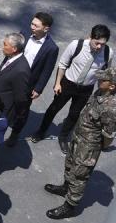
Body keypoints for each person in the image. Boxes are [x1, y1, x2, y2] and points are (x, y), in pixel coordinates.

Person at [45, 66, 116, 219]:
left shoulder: (111, 107)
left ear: (112, 86)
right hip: (78, 137)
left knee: (80, 175)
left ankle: (70, 205)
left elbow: (109, 135)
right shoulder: (100, 92)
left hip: (89, 146)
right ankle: (65, 187)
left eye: (102, 80)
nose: (98, 81)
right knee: (70, 163)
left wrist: (97, 146)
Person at [32, 25, 112, 153]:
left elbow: (104, 74)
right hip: (68, 83)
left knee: (74, 114)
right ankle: (41, 131)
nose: (99, 47)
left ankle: (63, 137)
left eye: (102, 44)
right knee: (54, 108)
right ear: (90, 37)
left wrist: (102, 94)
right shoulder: (76, 45)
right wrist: (58, 83)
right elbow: (62, 64)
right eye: (97, 43)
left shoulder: (108, 53)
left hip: (86, 88)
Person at [16, 12, 59, 144]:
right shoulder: (24, 34)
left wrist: (38, 88)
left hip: (29, 82)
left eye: (36, 25)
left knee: (22, 111)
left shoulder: (51, 48)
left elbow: (47, 70)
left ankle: (14, 134)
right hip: (14, 75)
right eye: (32, 23)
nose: (32, 27)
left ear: (46, 28)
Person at [0, 32, 32, 145]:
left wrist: (14, 117)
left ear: (14, 49)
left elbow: (20, 98)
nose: (2, 47)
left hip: (2, 112)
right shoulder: (10, 57)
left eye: (5, 45)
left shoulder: (21, 70)